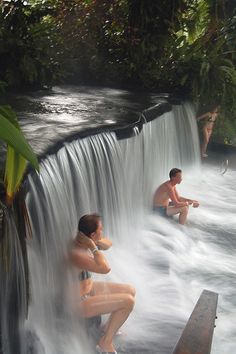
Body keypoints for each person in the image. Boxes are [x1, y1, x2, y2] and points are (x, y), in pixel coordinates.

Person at [69, 213, 135, 354]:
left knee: (131, 290)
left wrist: (94, 243)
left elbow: (108, 244)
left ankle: (107, 329)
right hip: (78, 303)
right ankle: (105, 342)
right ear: (92, 234)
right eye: (101, 229)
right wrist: (93, 246)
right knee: (128, 302)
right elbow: (105, 268)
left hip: (88, 288)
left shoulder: (83, 242)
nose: (103, 232)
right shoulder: (77, 254)